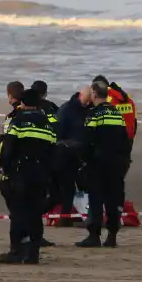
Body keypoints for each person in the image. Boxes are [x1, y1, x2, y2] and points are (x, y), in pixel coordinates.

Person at [0, 89, 57, 264]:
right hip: (40, 174)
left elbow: (9, 147)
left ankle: (16, 251)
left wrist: (3, 166)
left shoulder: (18, 120)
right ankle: (33, 253)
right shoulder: (47, 123)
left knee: (18, 212)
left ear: (22, 104)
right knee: (35, 213)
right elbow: (53, 150)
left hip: (20, 173)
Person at [77, 80, 132, 248]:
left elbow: (86, 140)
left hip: (97, 163)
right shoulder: (117, 114)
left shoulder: (94, 114)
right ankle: (112, 236)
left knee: (96, 199)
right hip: (116, 164)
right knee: (114, 199)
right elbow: (125, 140)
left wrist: (83, 161)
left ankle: (94, 236)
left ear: (94, 94)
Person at [49, 84, 91, 227]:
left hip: (81, 155)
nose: (87, 104)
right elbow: (58, 135)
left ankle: (80, 215)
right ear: (80, 96)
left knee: (83, 187)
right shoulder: (66, 110)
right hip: (64, 154)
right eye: (85, 101)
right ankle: (63, 217)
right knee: (66, 189)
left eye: (89, 102)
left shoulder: (89, 110)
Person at [93, 74, 137, 146]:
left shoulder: (107, 99)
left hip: (115, 139)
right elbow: (134, 121)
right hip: (129, 138)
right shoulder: (128, 98)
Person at [0, 81, 25, 147]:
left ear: (10, 96)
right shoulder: (30, 110)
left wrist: (1, 138)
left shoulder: (10, 117)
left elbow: (7, 135)